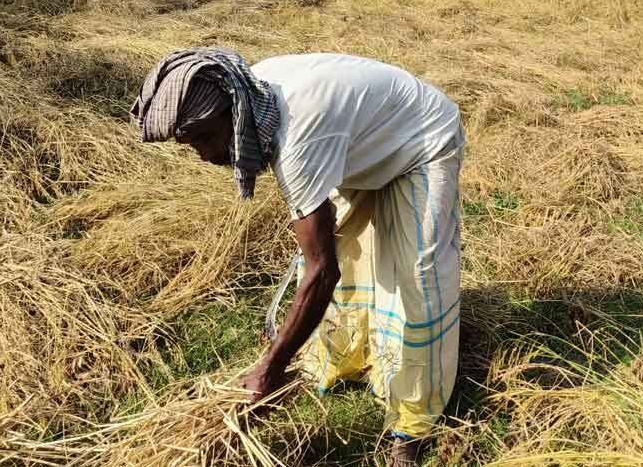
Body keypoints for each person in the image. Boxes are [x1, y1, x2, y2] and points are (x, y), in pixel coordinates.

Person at [130, 48, 464, 467]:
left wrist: (272, 366)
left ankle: (413, 422)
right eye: (188, 142)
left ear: (233, 118)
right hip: (364, 138)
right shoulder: (251, 95)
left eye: (201, 137)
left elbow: (320, 270)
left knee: (419, 274)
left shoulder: (297, 138)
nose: (199, 153)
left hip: (422, 139)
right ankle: (349, 357)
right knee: (349, 244)